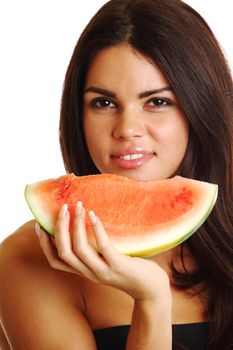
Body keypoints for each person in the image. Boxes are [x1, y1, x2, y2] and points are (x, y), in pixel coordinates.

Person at [0, 0, 233, 349]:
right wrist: (151, 301)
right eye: (103, 103)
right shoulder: (27, 260)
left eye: (157, 101)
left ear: (200, 107)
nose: (127, 129)